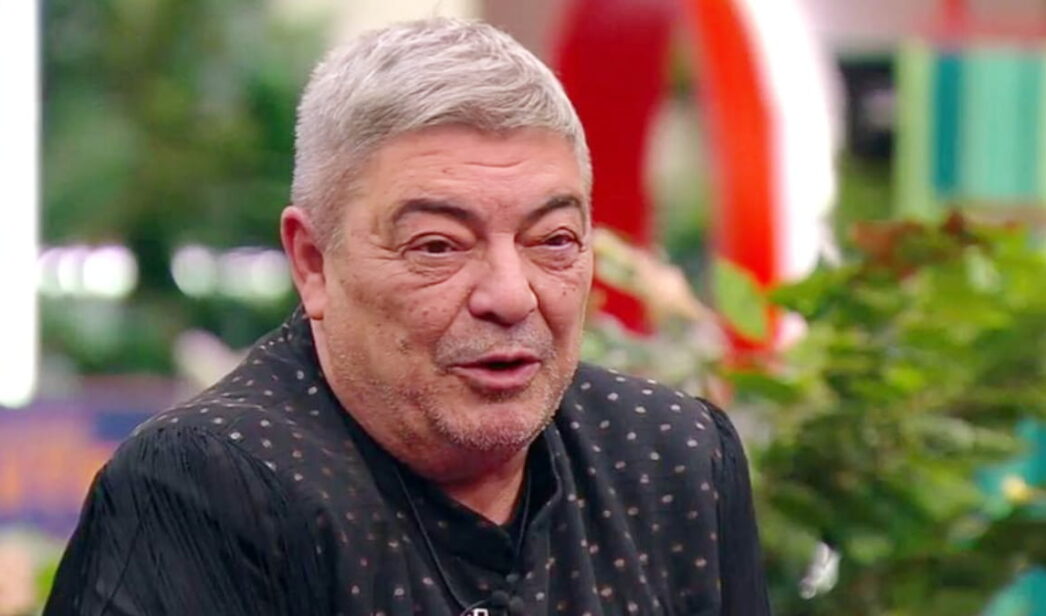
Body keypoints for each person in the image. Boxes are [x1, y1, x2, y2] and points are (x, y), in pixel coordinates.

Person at [45, 17, 771, 616]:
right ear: (313, 262)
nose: (511, 296)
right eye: (438, 246)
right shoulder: (211, 488)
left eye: (552, 240)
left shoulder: (672, 458)